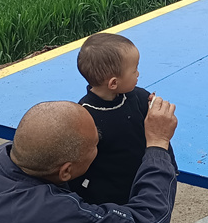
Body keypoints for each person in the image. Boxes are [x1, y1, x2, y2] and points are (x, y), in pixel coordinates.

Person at [0, 100, 179, 223]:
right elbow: (148, 221)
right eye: (95, 145)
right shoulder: (54, 212)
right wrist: (158, 143)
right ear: (66, 171)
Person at [69, 33, 177, 205]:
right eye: (134, 70)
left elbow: (160, 135)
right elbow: (78, 162)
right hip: (109, 196)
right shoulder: (84, 118)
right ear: (113, 83)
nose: (138, 73)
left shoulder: (140, 98)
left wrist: (169, 167)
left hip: (141, 182)